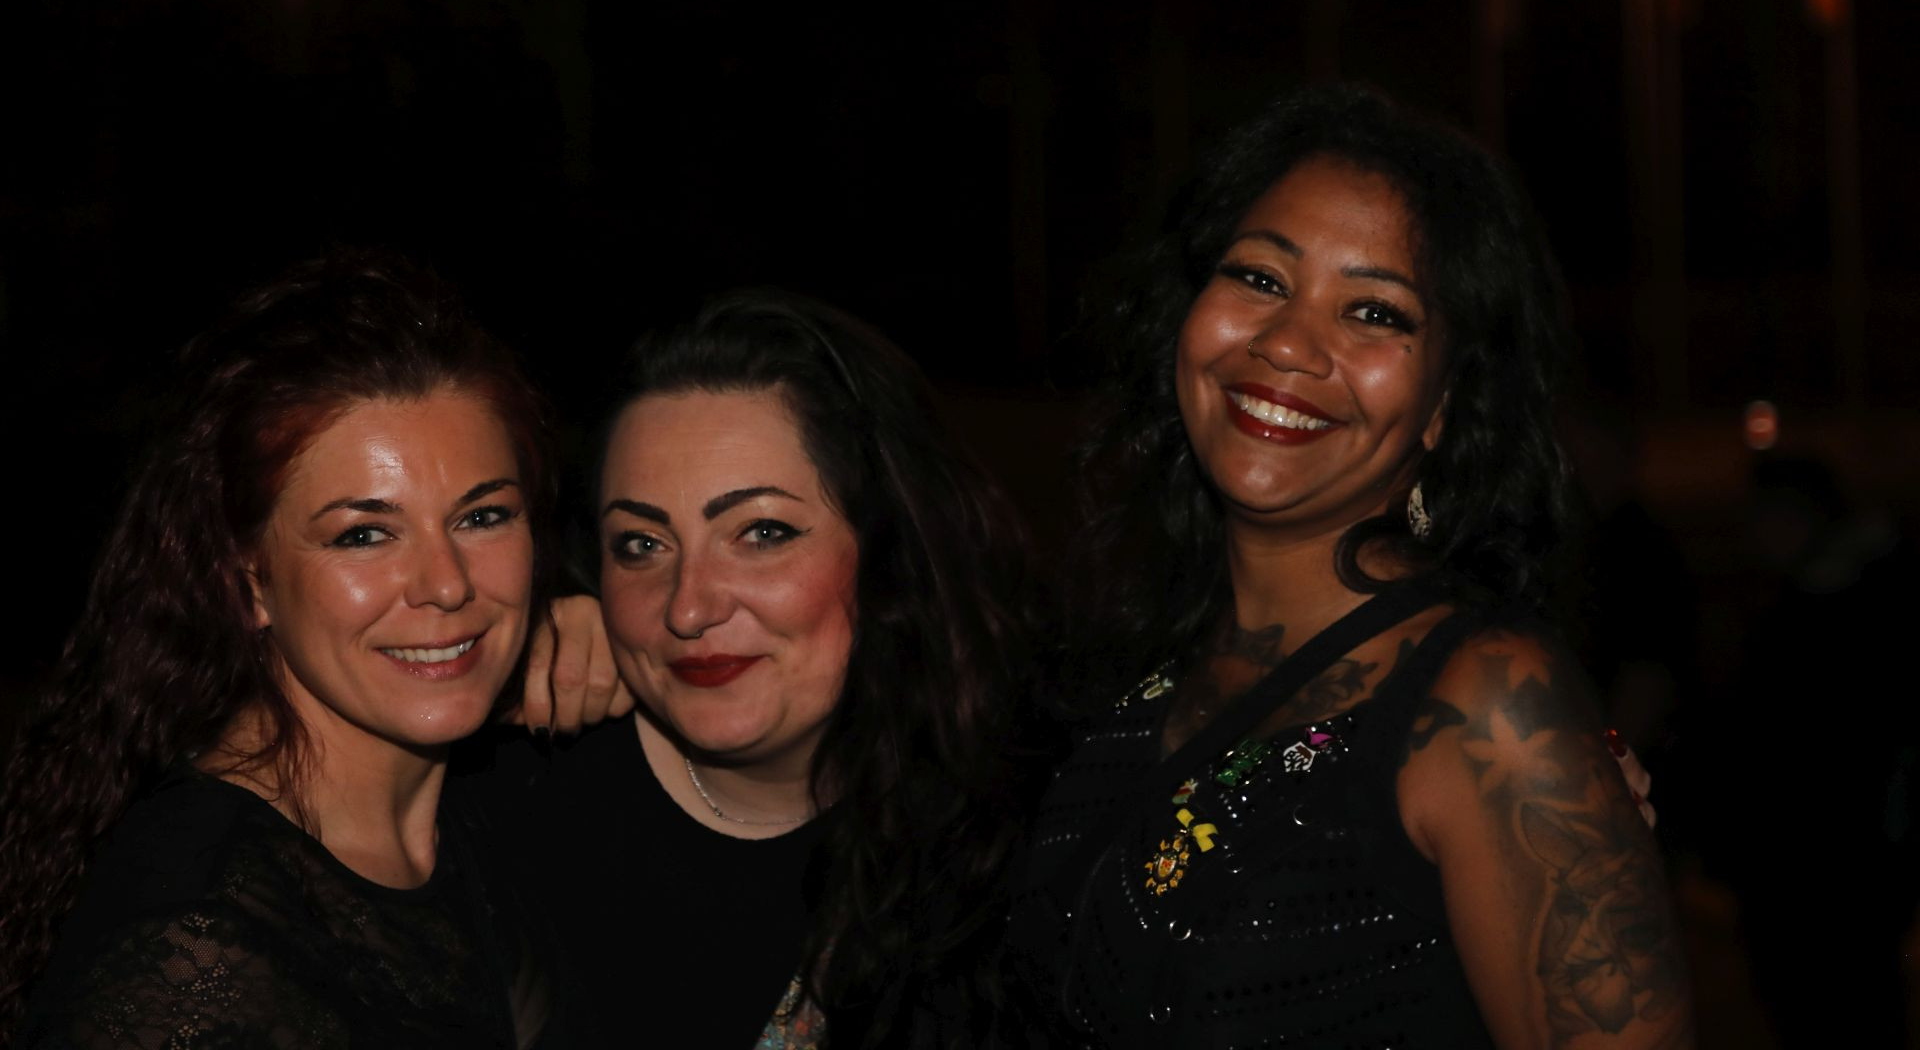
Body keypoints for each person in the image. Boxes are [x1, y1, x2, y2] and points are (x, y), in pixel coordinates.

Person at [1001, 84, 1694, 1047]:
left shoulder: (1488, 706)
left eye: (1374, 311)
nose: (1288, 343)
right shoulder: (1129, 653)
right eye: (1260, 278)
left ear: (1446, 404)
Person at [0, 257, 571, 1048]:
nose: (446, 585)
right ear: (248, 583)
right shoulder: (197, 942)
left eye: (483, 518)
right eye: (363, 535)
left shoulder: (497, 796)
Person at [459, 291, 1047, 1049]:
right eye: (641, 545)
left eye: (762, 533)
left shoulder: (1035, 815)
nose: (688, 607)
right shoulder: (508, 799)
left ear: (889, 551)